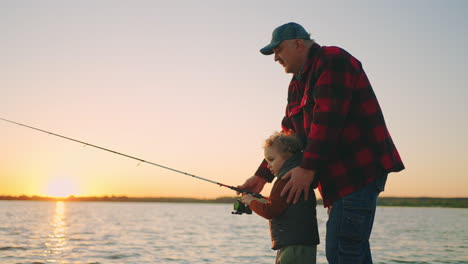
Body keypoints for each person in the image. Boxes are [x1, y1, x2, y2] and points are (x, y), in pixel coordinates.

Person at [238, 22, 405, 263]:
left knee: (342, 251)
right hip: (335, 180)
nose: (276, 58)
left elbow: (329, 118)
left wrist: (306, 168)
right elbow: (289, 136)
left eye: (278, 50)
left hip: (359, 171)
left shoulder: (333, 59)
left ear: (298, 43)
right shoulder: (296, 84)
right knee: (351, 250)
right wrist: (262, 176)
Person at [241, 131, 319, 264]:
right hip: (302, 244)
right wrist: (260, 200)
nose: (268, 166)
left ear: (288, 155)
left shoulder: (285, 181)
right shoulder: (298, 179)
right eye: (266, 161)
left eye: (271, 160)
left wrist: (251, 201)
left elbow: (270, 211)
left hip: (293, 247)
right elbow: (281, 205)